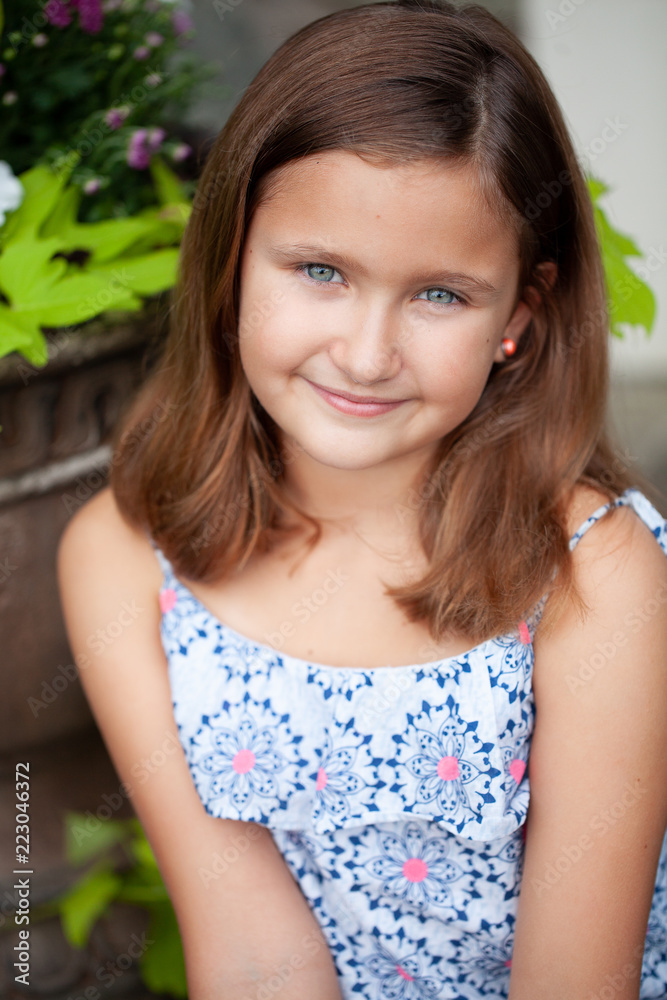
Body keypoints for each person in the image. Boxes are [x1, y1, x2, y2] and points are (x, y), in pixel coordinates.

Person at [56, 1, 667, 997]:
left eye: (439, 294)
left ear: (517, 314)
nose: (366, 353)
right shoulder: (124, 557)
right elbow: (254, 956)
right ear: (229, 263)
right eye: (320, 271)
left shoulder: (593, 574)